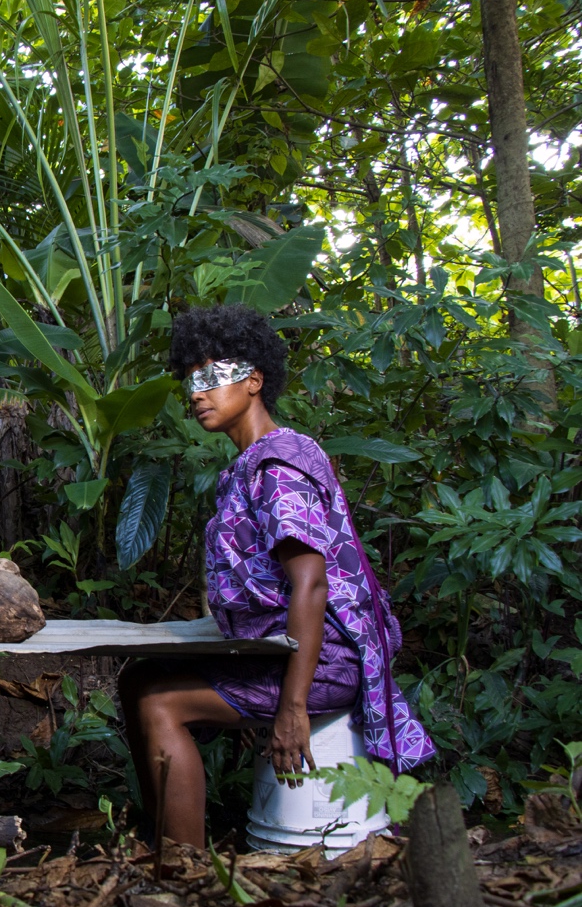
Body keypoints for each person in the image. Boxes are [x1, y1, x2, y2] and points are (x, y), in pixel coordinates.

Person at [119, 304, 434, 848]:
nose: (198, 393)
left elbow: (310, 582)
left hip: (323, 662)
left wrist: (293, 708)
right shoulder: (252, 464)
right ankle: (162, 843)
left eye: (214, 377)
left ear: (254, 381)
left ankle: (185, 873)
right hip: (278, 650)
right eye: (192, 380)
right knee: (137, 680)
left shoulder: (277, 464)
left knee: (158, 701)